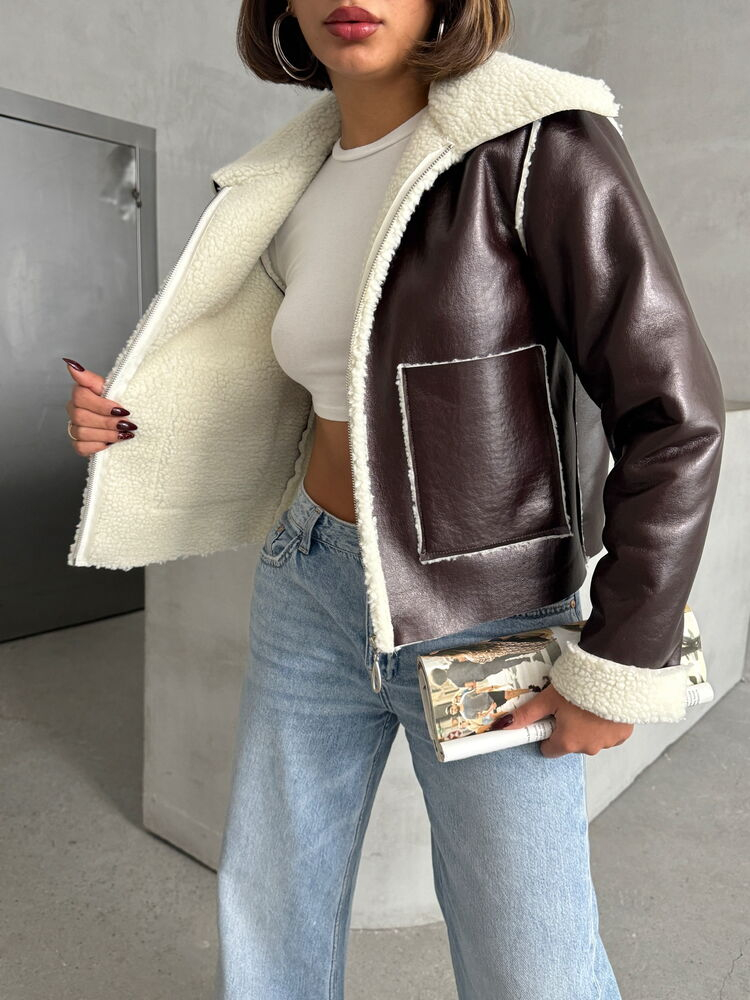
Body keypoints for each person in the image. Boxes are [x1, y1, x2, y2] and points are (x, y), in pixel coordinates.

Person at [62, 1, 726, 998]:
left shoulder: (538, 145)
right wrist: (133, 420)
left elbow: (673, 413)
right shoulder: (286, 181)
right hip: (307, 578)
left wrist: (621, 659)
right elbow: (309, 388)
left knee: (531, 965)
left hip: (488, 612)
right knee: (271, 917)